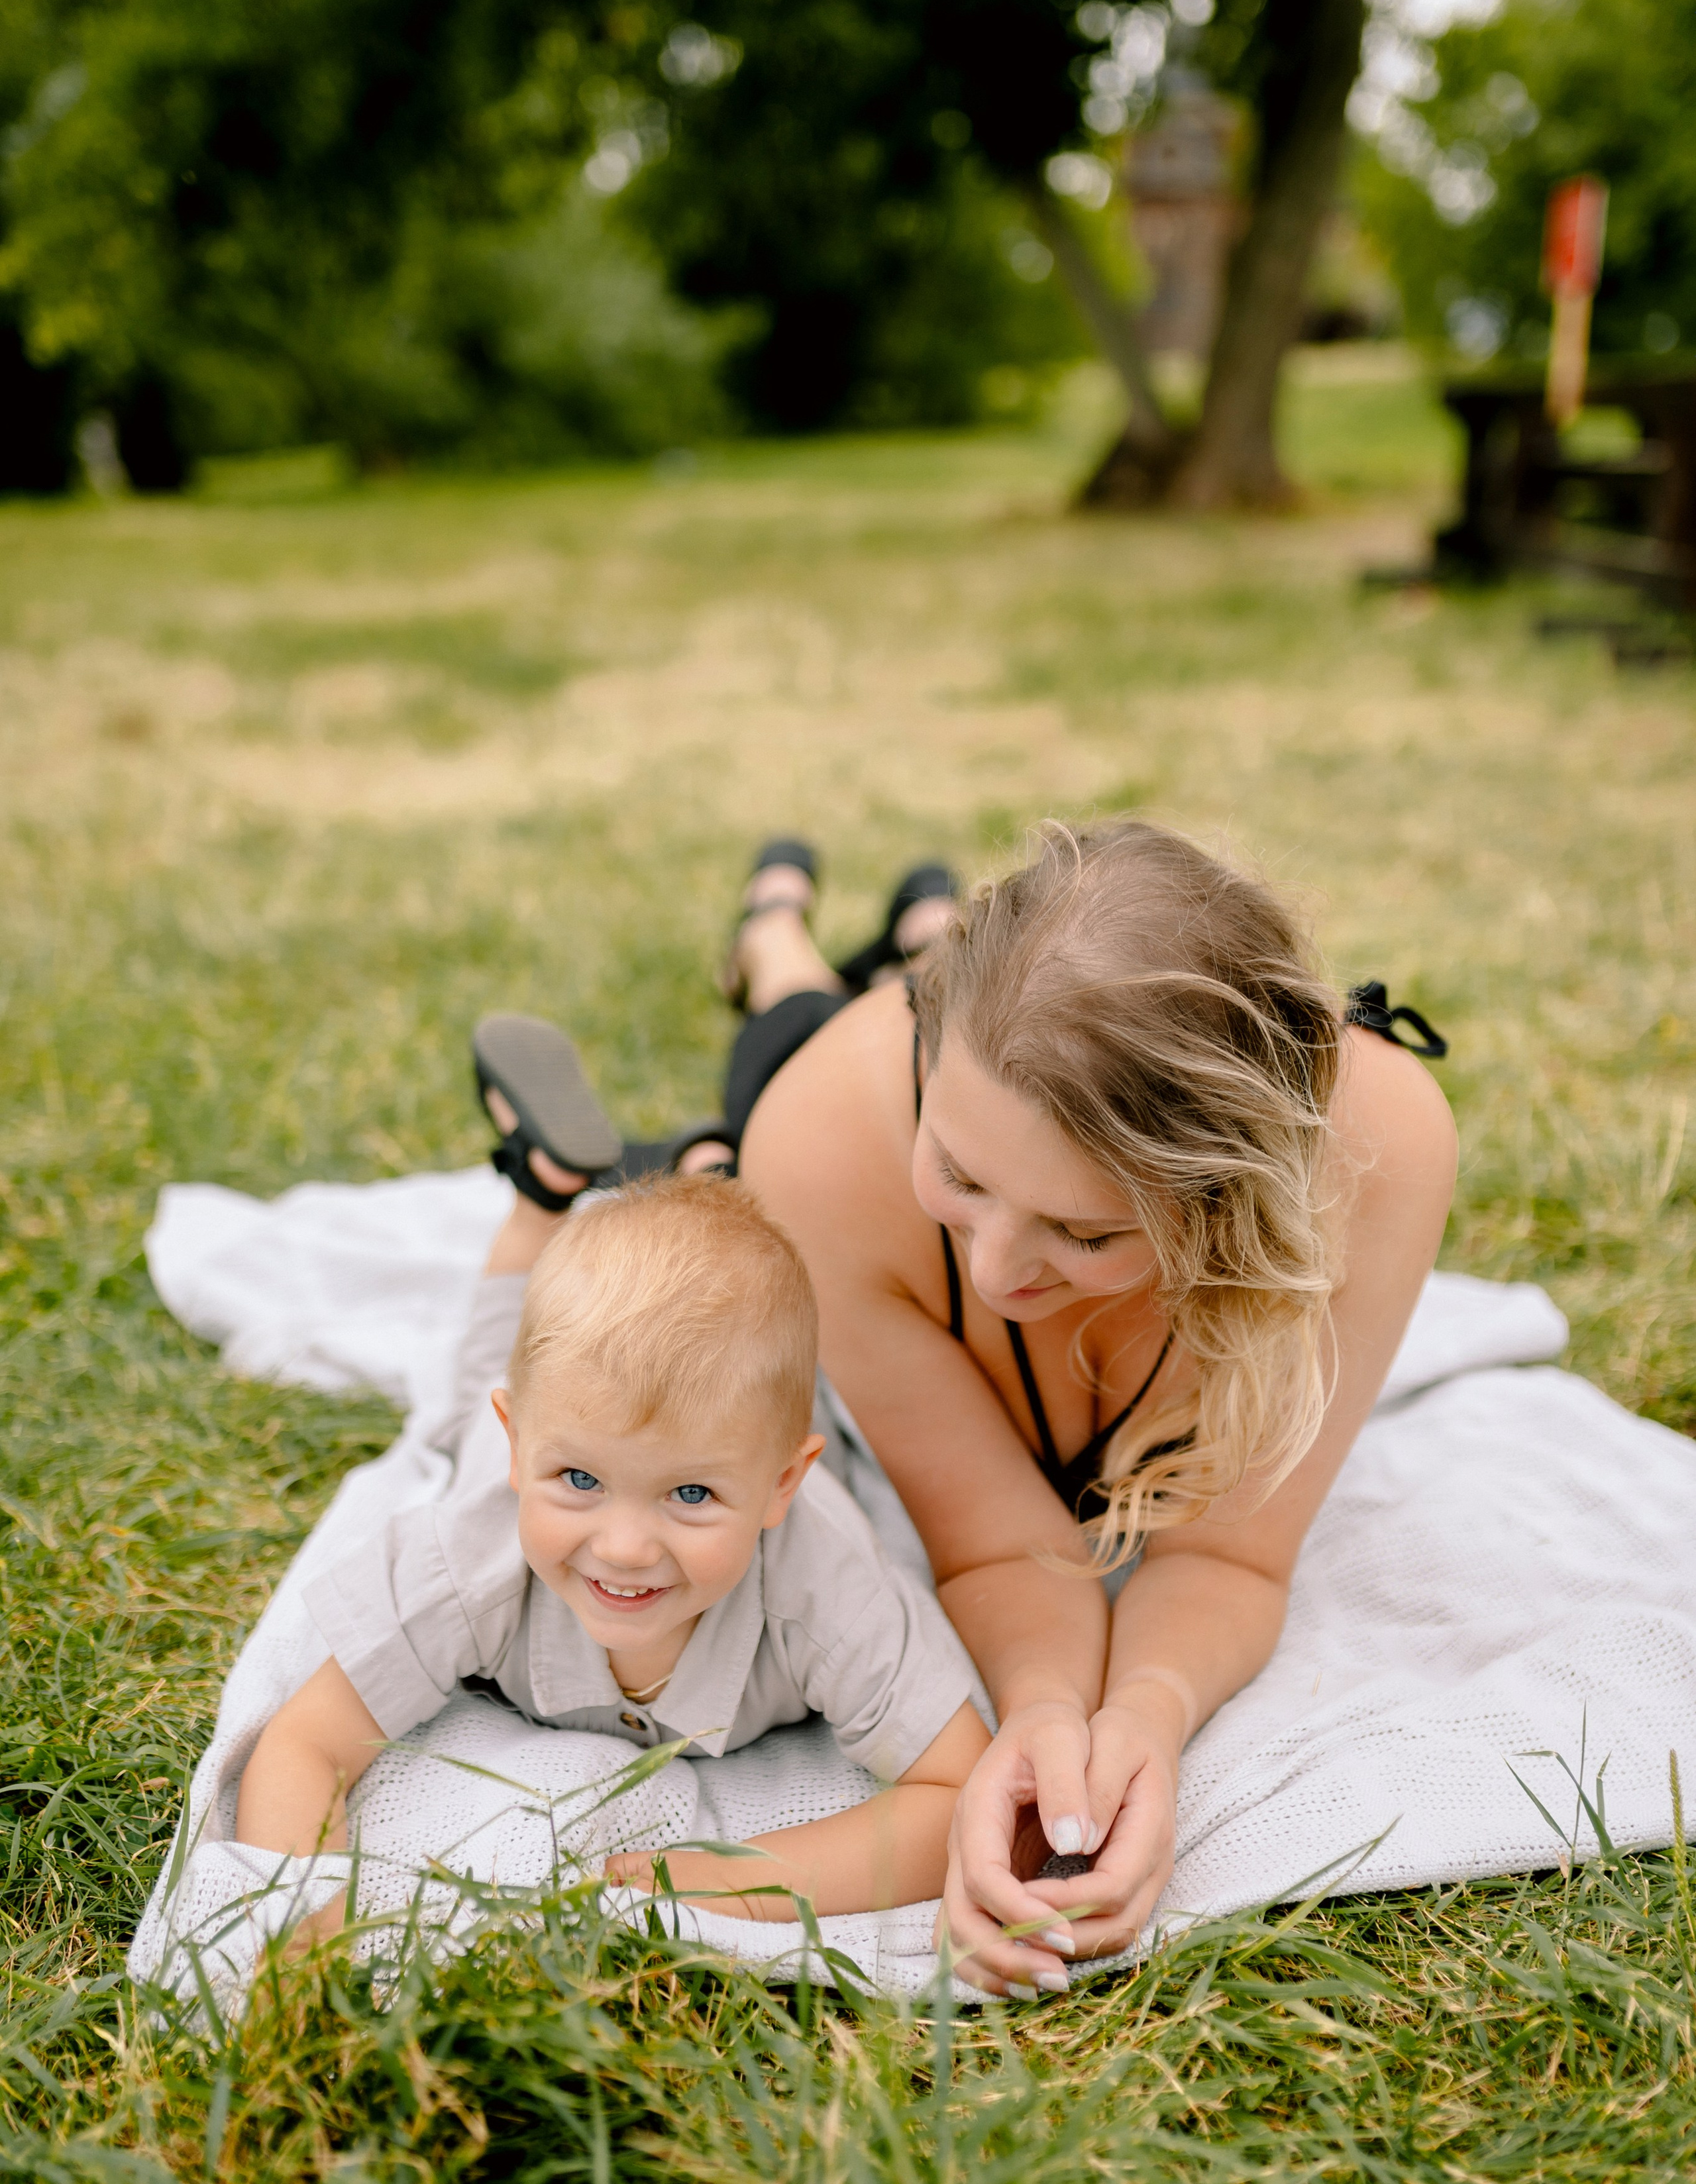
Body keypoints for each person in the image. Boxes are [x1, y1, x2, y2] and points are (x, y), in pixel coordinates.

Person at [447, 818, 1456, 1999]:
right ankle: (778, 933)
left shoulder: (1378, 1153)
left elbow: (1230, 1556)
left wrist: (1142, 1719)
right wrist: (1036, 1712)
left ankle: (896, 930)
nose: (992, 1276)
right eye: (963, 1180)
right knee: (761, 1094)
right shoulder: (833, 1141)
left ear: (1237, 1199)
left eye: (1085, 1232)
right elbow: (996, 1543)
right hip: (823, 1092)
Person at [237, 1174, 992, 1927]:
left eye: (691, 1494)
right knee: (473, 1384)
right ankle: (541, 1191)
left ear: (782, 1483)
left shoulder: (826, 1591)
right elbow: (307, 1741)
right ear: (522, 1446)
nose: (625, 1548)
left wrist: (731, 1880)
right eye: (579, 1479)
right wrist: (307, 1946)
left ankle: (704, 1167)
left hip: (733, 1424)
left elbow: (958, 1792)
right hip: (506, 1430)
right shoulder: (467, 1561)